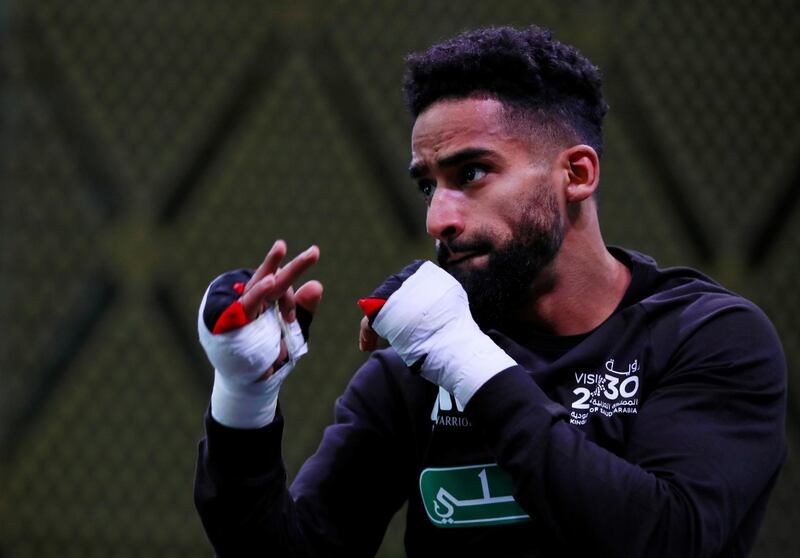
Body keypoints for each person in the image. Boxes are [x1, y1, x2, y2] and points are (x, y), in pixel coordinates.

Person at [193, 26, 787, 557]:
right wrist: (244, 399)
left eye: (471, 173)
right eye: (429, 187)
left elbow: (670, 540)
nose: (438, 220)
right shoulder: (416, 365)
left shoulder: (708, 337)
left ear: (576, 174)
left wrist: (468, 362)